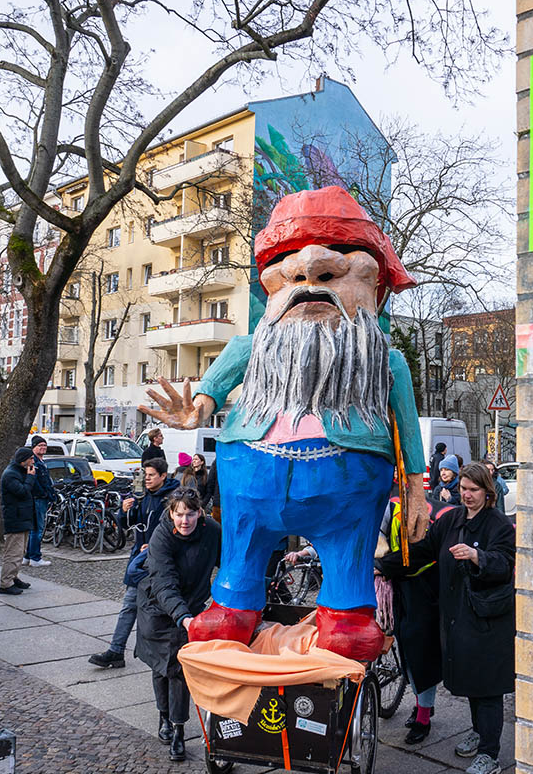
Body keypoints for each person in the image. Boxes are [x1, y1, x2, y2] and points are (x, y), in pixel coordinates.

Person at [140, 186, 426, 660]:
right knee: (243, 545)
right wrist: (194, 414)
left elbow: (408, 428)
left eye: (341, 256)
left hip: (348, 493)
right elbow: (206, 397)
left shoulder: (387, 362)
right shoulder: (246, 349)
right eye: (290, 258)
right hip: (253, 476)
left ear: (373, 282)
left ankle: (348, 609)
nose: (310, 267)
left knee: (348, 553)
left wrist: (415, 489)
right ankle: (233, 601)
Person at [377, 462, 515, 774]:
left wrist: (479, 556)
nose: (466, 495)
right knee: (471, 682)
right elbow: (423, 551)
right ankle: (479, 732)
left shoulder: (498, 526)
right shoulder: (451, 519)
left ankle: (490, 754)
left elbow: (505, 565)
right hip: (460, 617)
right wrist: (385, 565)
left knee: (489, 688)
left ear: (488, 492)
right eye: (463, 489)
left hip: (489, 619)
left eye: (473, 490)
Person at [135, 487, 221, 761]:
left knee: (179, 670)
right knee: (161, 666)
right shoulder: (161, 536)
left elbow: (229, 564)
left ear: (200, 513)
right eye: (179, 514)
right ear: (171, 513)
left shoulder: (213, 531)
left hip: (191, 607)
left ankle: (178, 730)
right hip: (157, 607)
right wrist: (182, 616)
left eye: (191, 514)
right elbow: (163, 581)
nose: (185, 521)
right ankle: (164, 717)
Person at [88, 458, 180, 669]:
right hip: (140, 561)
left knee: (165, 608)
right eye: (145, 475)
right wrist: (125, 510)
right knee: (130, 605)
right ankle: (116, 650)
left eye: (151, 476)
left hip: (162, 562)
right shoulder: (141, 493)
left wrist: (156, 545)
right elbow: (128, 524)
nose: (146, 479)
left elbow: (178, 529)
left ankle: (174, 651)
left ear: (163, 476)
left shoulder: (171, 498)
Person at [376, 496, 443, 744]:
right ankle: (421, 704)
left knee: (421, 653)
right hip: (400, 586)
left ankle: (424, 715)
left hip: (424, 589)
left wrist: (383, 565)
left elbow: (420, 551)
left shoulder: (420, 508)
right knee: (407, 650)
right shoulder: (384, 503)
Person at [0, 447, 37, 595]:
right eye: (31, 459)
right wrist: (31, 478)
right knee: (13, 552)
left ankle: (13, 577)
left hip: (23, 517)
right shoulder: (10, 475)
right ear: (23, 460)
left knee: (21, 551)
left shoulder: (20, 471)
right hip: (15, 518)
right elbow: (22, 492)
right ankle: (6, 583)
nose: (33, 461)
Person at [24, 435, 55, 568]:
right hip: (38, 499)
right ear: (34, 447)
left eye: (44, 445)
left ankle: (27, 556)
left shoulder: (41, 461)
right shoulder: (34, 462)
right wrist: (44, 494)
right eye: (40, 445)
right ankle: (35, 557)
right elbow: (35, 481)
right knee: (37, 529)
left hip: (39, 498)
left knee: (34, 529)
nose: (43, 448)